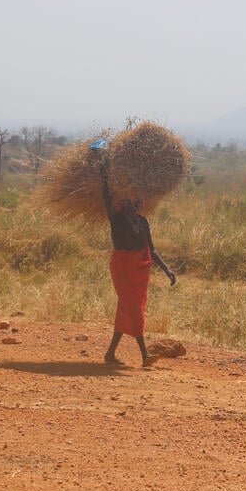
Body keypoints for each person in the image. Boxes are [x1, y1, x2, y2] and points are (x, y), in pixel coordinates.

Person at [99, 155, 176, 367]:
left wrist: (167, 269)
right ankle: (144, 355)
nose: (134, 204)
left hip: (140, 269)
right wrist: (104, 172)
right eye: (130, 201)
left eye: (136, 201)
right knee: (132, 308)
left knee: (129, 308)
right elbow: (106, 196)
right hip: (123, 267)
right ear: (123, 203)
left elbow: (152, 248)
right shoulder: (116, 219)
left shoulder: (142, 222)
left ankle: (110, 353)